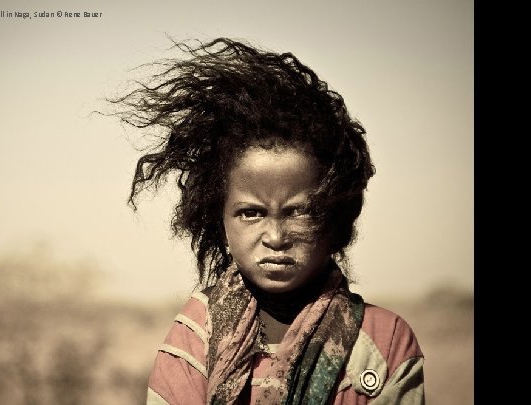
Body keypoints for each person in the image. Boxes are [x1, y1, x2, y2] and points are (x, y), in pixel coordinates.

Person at [108, 37, 425, 404]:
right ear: (218, 219)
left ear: (338, 218)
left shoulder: (384, 341)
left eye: (300, 211)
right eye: (251, 213)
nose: (275, 236)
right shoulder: (196, 335)